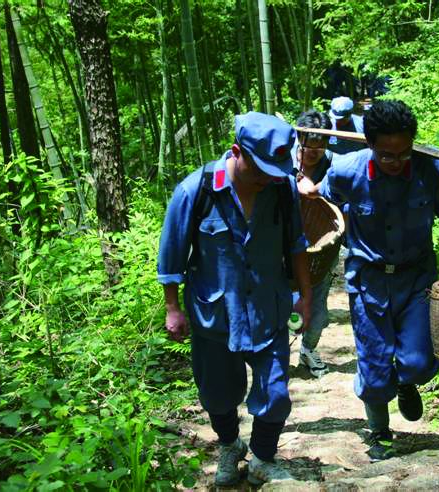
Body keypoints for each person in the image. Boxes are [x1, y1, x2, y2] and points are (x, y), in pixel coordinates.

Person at [297, 100, 439, 462]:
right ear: (369, 145)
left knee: (420, 362)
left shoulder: (432, 167)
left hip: (417, 279)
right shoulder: (347, 170)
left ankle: (407, 382)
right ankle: (379, 432)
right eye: (386, 156)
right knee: (375, 369)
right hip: (368, 282)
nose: (395, 162)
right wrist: (306, 193)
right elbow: (320, 200)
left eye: (403, 153)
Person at [157, 112, 312, 486]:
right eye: (260, 169)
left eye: (275, 171)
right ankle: (230, 445)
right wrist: (172, 307)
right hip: (216, 316)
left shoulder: (281, 188)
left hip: (268, 310)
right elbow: (172, 253)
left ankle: (262, 457)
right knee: (218, 396)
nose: (267, 178)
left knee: (275, 394)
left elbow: (296, 246)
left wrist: (306, 298)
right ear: (236, 152)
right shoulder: (196, 190)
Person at [291, 110, 338, 378]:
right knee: (285, 307)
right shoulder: (282, 158)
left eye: (321, 145)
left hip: (321, 247)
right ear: (299, 138)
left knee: (317, 309)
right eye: (310, 144)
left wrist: (317, 188)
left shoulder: (333, 163)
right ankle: (280, 348)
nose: (315, 151)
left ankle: (308, 348)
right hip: (283, 245)